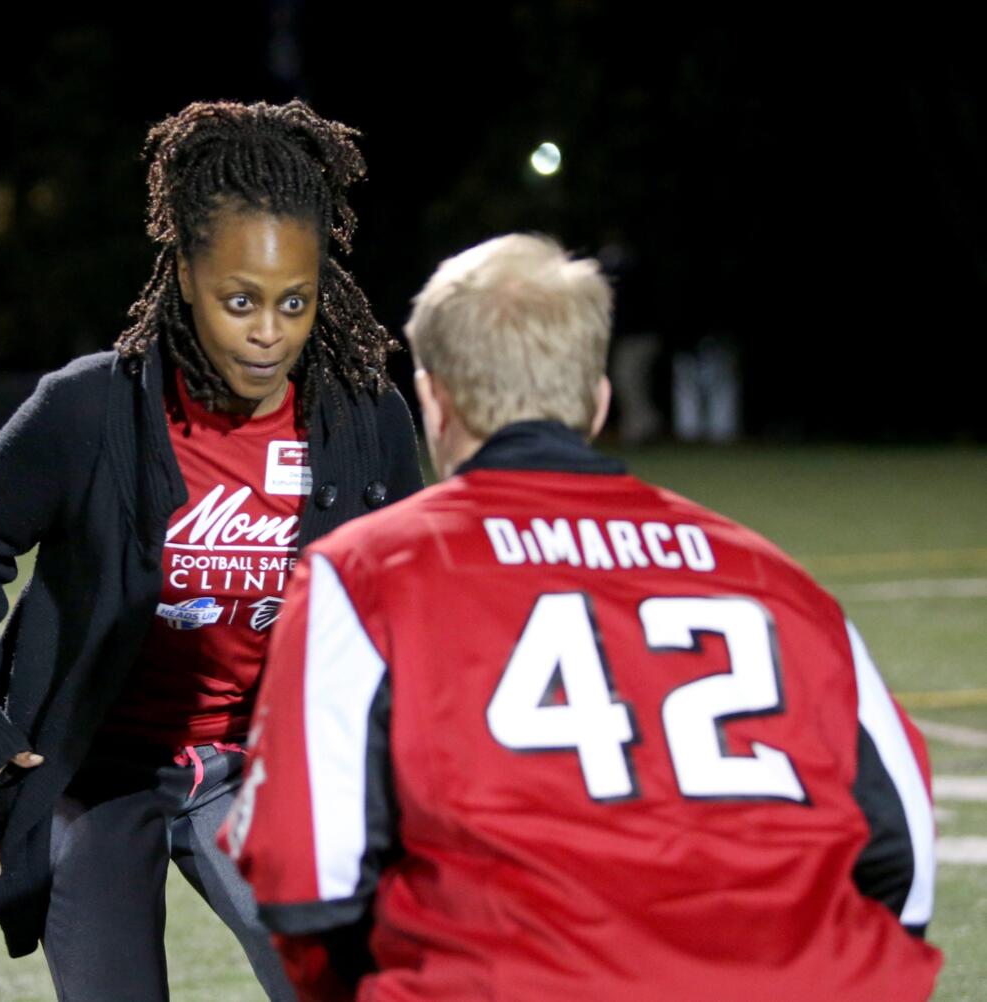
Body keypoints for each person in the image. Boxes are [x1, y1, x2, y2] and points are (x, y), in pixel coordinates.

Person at [223, 233, 944, 1001]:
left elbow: (306, 876)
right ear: (599, 399)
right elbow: (904, 862)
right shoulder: (776, 578)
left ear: (433, 400)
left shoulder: (364, 572)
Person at [0, 99, 422, 1001]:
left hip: (265, 768)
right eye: (240, 300)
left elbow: (415, 597)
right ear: (187, 273)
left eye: (294, 302)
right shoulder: (90, 409)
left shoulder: (362, 418)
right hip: (99, 769)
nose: (269, 330)